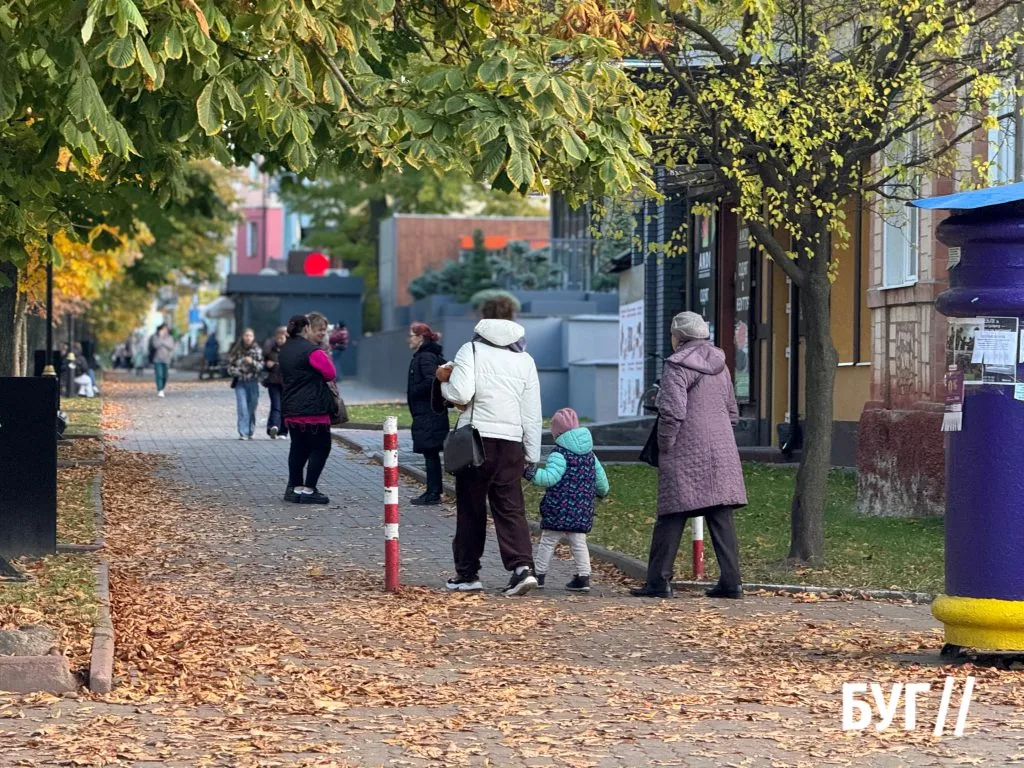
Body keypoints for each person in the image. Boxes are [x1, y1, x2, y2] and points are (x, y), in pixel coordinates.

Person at [631, 311, 747, 600]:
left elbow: (672, 411)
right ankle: (732, 582)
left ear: (679, 337)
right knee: (720, 513)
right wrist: (720, 436)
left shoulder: (677, 365)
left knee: (671, 514)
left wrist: (666, 443)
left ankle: (659, 581)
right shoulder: (721, 364)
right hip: (721, 449)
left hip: (685, 448)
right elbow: (732, 410)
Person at [437, 295, 542, 597]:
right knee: (510, 508)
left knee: (471, 508)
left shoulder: (471, 350)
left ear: (482, 318)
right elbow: (532, 413)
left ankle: (468, 573)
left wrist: (442, 383)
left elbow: (460, 391)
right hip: (511, 445)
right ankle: (522, 568)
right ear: (513, 318)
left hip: (477, 442)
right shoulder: (525, 359)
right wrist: (532, 456)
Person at [526, 407, 609, 593]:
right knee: (579, 542)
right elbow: (602, 481)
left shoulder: (559, 454)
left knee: (548, 541)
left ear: (558, 434)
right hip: (582, 509)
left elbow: (549, 478)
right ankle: (583, 577)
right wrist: (602, 492)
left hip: (558, 508)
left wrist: (529, 474)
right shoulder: (590, 455)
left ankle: (539, 575)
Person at [279, 314, 336, 504]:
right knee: (321, 447)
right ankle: (310, 489)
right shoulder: (312, 351)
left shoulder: (285, 350)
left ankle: (295, 488)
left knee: (298, 449)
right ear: (306, 328)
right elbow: (330, 374)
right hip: (314, 409)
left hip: (292, 408)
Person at [406, 323, 449, 506]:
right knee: (429, 453)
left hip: (429, 412)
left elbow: (432, 381)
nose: (410, 339)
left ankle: (433, 493)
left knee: (430, 453)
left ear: (420, 338)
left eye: (412, 336)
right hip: (429, 411)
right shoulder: (428, 356)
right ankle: (432, 491)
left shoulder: (424, 358)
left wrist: (414, 391)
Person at [228, 328, 264, 440]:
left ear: (253, 338)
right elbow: (230, 368)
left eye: (250, 336)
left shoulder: (257, 350)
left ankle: (250, 430)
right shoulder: (236, 350)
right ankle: (243, 432)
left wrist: (252, 362)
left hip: (253, 382)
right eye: (246, 335)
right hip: (240, 382)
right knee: (242, 407)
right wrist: (239, 368)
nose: (248, 338)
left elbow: (261, 366)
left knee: (251, 407)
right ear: (242, 337)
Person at [263, 326, 288, 439]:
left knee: (285, 406)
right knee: (276, 405)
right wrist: (268, 365)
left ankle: (283, 431)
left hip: (287, 382)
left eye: (282, 338)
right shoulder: (270, 349)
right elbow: (263, 362)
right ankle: (273, 427)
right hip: (273, 381)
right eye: (278, 338)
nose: (279, 340)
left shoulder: (290, 350)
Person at [150, 324, 175, 396]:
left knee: (165, 376)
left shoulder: (170, 337)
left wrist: (163, 342)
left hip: (166, 359)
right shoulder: (155, 337)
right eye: (163, 329)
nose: (164, 331)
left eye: (166, 329)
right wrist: (161, 338)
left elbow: (171, 346)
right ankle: (160, 389)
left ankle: (162, 387)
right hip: (157, 359)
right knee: (159, 374)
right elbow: (155, 345)